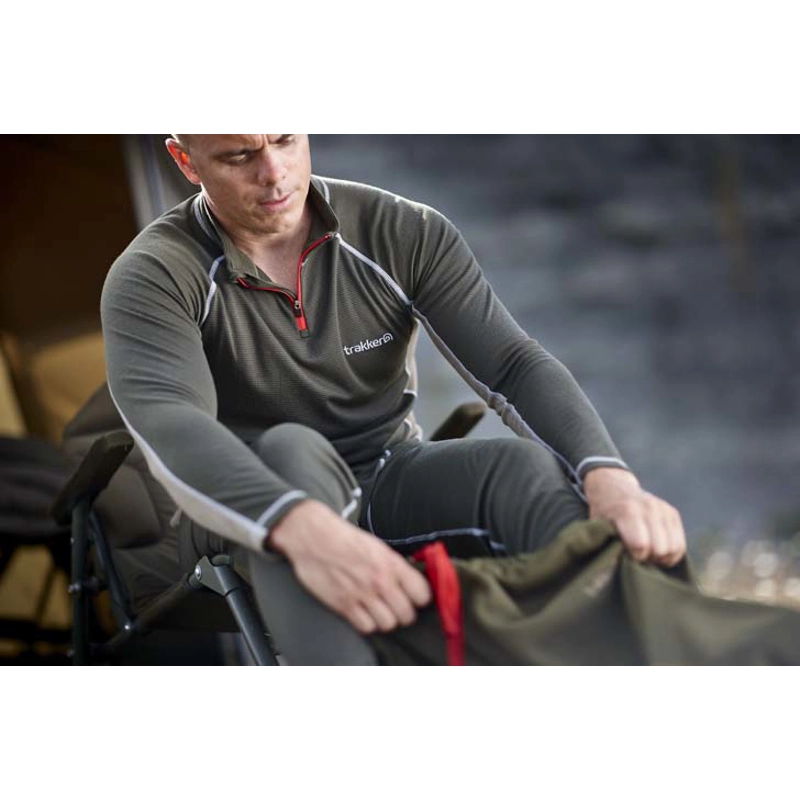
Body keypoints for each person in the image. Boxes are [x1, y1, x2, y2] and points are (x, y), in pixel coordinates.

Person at [100, 134, 686, 665]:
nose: (274, 173)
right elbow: (170, 420)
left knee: (525, 469)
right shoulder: (154, 273)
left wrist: (608, 475)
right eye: (240, 156)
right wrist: (300, 523)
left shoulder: (398, 230)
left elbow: (512, 364)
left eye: (285, 140)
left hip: (384, 477)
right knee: (292, 452)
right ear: (186, 162)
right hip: (246, 508)